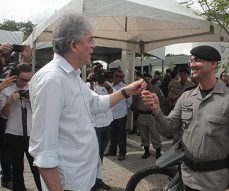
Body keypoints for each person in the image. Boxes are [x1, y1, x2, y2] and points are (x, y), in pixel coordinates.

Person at [28, 13, 145, 191]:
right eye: (90, 40)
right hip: (69, 185)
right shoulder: (52, 80)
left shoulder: (71, 76)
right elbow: (43, 151)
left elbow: (96, 104)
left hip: (83, 180)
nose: (94, 46)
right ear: (74, 45)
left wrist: (126, 91)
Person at [141, 45, 229, 191]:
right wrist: (156, 110)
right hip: (187, 179)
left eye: (197, 60)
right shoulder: (187, 97)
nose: (192, 64)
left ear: (213, 64)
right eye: (191, 60)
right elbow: (167, 131)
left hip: (217, 183)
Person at [0, 63, 42, 191]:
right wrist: (10, 102)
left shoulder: (34, 88)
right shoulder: (6, 89)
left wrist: (32, 102)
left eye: (29, 80)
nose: (26, 83)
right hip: (13, 134)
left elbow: (42, 111)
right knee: (17, 169)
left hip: (32, 133)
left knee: (37, 167)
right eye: (23, 79)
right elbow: (3, 115)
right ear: (15, 77)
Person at [87, 63, 113, 191]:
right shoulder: (87, 85)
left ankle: (98, 180)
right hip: (95, 125)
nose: (99, 74)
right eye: (96, 71)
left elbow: (112, 94)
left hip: (107, 122)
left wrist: (105, 83)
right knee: (94, 155)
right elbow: (90, 98)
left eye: (101, 71)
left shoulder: (107, 84)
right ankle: (92, 183)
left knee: (101, 154)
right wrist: (91, 82)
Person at [0, 43, 18, 190]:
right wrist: (2, 85)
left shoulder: (4, 69)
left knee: (5, 149)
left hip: (2, 116)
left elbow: (18, 73)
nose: (3, 58)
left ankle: (7, 177)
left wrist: (25, 59)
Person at [104, 69, 132, 161]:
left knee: (121, 135)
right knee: (112, 134)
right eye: (116, 76)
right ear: (113, 76)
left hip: (121, 114)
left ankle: (122, 153)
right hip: (111, 114)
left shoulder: (125, 88)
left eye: (121, 77)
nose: (118, 78)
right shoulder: (109, 86)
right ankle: (112, 150)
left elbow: (129, 102)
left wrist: (123, 108)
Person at [136, 73, 164, 159]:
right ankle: (146, 151)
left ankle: (158, 153)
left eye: (149, 78)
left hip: (151, 115)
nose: (147, 80)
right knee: (144, 135)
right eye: (146, 79)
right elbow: (135, 100)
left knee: (155, 134)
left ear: (151, 80)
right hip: (141, 115)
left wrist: (157, 109)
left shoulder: (156, 89)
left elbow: (162, 98)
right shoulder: (139, 89)